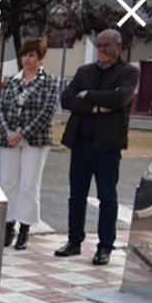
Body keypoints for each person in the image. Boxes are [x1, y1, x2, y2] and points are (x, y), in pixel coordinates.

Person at [55, 29, 139, 266]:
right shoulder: (85, 71)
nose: (101, 50)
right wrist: (95, 107)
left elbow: (119, 99)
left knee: (107, 198)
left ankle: (104, 247)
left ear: (118, 47)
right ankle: (74, 241)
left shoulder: (128, 73)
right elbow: (66, 99)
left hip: (107, 144)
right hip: (81, 142)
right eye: (99, 46)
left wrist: (88, 94)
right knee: (76, 195)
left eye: (106, 45)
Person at [0, 38, 58, 250]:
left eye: (31, 55)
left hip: (35, 139)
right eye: (24, 55)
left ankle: (24, 227)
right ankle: (8, 225)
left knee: (29, 184)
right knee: (8, 182)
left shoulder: (49, 81)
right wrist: (8, 132)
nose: (27, 59)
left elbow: (47, 112)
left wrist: (23, 133)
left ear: (40, 58)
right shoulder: (12, 80)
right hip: (9, 138)